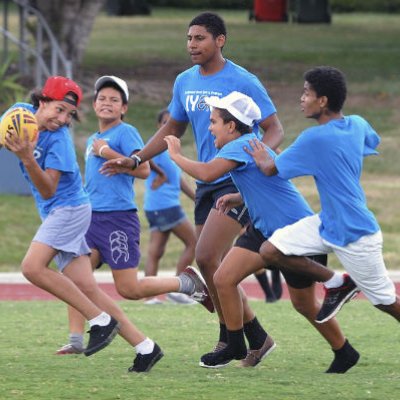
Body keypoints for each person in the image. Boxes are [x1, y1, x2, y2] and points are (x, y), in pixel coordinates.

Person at [102, 11, 284, 367]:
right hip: (205, 181)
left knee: (204, 257)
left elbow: (274, 128)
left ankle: (229, 340)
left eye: (199, 38)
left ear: (220, 40)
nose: (191, 45)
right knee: (211, 265)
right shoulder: (184, 81)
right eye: (188, 39)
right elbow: (173, 127)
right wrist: (135, 157)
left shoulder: (243, 80)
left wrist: (260, 161)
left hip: (236, 179)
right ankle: (257, 338)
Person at [164, 90, 360, 372]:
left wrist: (175, 155)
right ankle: (234, 342)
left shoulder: (240, 145)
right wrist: (239, 197)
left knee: (304, 304)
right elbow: (267, 184)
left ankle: (344, 350)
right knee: (223, 278)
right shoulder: (249, 145)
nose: (209, 128)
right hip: (262, 229)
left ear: (231, 126)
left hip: (294, 234)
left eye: (214, 121)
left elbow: (206, 174)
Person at [55, 76, 213, 367]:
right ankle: (77, 339)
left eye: (114, 100)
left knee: (129, 289)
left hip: (118, 220)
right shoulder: (92, 139)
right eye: (102, 98)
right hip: (90, 219)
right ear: (94, 104)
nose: (107, 103)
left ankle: (184, 282)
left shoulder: (126, 133)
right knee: (75, 277)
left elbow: (143, 172)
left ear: (124, 108)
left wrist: (108, 152)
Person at [246, 66, 400, 324]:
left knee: (387, 303)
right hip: (327, 223)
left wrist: (262, 155)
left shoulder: (314, 139)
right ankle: (337, 282)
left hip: (356, 233)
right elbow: (370, 142)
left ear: (323, 101)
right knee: (270, 250)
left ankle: (342, 285)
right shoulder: (358, 124)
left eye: (306, 93)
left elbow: (271, 169)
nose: (301, 99)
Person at [1, 76, 121, 359]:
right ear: (42, 101)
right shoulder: (18, 114)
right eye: (59, 109)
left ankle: (101, 320)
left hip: (70, 209)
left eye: (69, 114)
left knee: (32, 267)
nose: (63, 118)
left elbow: (47, 189)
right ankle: (145, 346)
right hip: (56, 212)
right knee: (86, 285)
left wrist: (27, 158)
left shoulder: (59, 141)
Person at [143, 109, 197, 305]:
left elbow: (178, 180)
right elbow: (143, 156)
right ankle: (178, 290)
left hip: (157, 206)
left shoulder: (171, 148)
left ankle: (150, 297)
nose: (169, 126)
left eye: (172, 122)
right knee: (195, 242)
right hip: (164, 205)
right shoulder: (157, 145)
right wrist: (160, 174)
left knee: (156, 251)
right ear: (159, 126)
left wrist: (195, 197)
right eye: (165, 122)